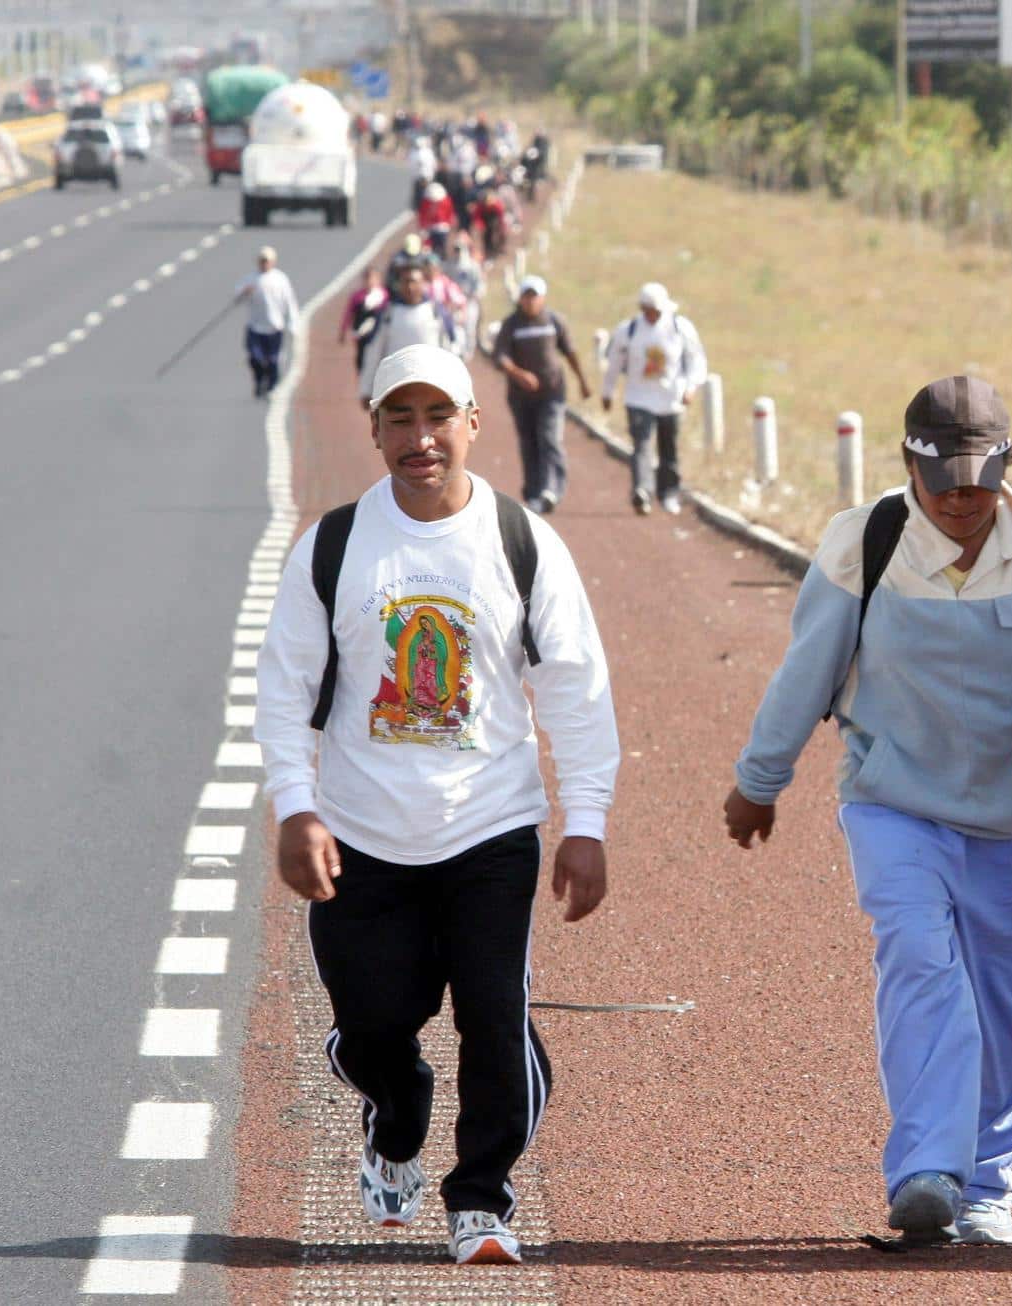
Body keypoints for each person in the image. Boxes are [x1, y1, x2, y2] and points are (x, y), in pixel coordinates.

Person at [724, 376, 1012, 1245]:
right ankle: (928, 1174)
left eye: (977, 481)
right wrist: (761, 780)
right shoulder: (864, 544)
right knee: (922, 967)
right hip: (897, 804)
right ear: (908, 463)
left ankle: (988, 1185)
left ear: (1008, 465)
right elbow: (809, 671)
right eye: (939, 483)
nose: (959, 501)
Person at [254, 345, 620, 1267]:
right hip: (362, 836)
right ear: (375, 427)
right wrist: (297, 807)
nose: (422, 439)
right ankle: (397, 1110)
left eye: (438, 418)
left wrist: (585, 823)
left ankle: (481, 1199)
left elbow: (576, 688)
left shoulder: (520, 540)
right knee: (372, 1026)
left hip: (489, 830)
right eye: (401, 419)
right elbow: (282, 685)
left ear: (472, 424)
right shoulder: (334, 545)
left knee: (494, 1014)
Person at [601, 282, 707, 516]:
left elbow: (696, 361)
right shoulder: (628, 331)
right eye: (648, 309)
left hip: (671, 400)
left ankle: (668, 493)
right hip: (638, 399)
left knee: (668, 449)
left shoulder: (680, 328)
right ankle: (642, 491)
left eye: (656, 310)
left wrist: (690, 388)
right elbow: (614, 365)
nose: (652, 314)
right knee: (642, 446)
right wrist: (607, 392)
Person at [492, 275, 593, 515]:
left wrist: (583, 381)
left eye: (534, 296)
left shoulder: (553, 321)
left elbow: (569, 351)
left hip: (552, 393)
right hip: (521, 397)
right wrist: (519, 374)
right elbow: (500, 357)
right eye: (526, 296)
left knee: (549, 438)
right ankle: (533, 490)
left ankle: (552, 489)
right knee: (529, 442)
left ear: (543, 298)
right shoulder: (512, 325)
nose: (530, 301)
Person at [358, 264, 459, 402]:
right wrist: (366, 389)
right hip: (395, 388)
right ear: (399, 284)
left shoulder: (436, 311)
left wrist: (456, 386)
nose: (410, 287)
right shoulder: (388, 313)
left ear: (423, 283)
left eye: (414, 282)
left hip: (431, 386)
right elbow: (374, 351)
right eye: (406, 282)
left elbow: (450, 349)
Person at [235, 245, 300, 399]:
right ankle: (259, 381)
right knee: (255, 358)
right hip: (255, 327)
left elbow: (290, 302)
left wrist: (293, 323)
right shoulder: (251, 279)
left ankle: (271, 386)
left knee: (273, 360)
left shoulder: (280, 279)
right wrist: (245, 292)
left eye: (267, 261)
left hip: (274, 327)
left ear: (273, 262)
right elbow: (237, 295)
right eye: (262, 261)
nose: (264, 264)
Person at [338, 264, 389, 378]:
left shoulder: (384, 295)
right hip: (361, 334)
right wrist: (343, 331)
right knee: (361, 358)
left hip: (378, 334)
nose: (370, 281)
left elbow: (388, 314)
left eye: (373, 278)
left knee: (377, 358)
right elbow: (349, 313)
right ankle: (362, 379)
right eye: (368, 278)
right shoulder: (358, 297)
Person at [417, 181, 456, 259]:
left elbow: (449, 212)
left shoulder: (445, 201)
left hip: (442, 227)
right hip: (431, 227)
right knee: (432, 246)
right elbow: (423, 214)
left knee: (442, 246)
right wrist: (423, 226)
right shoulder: (426, 202)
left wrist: (449, 222)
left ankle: (443, 258)